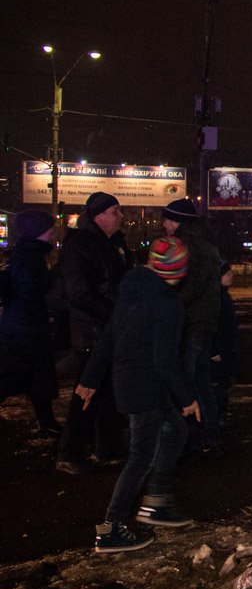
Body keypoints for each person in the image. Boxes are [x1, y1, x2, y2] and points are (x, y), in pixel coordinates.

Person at [79, 236, 199, 553]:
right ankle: (112, 527)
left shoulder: (133, 291)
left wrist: (91, 378)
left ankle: (155, 502)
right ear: (178, 269)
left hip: (130, 380)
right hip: (146, 385)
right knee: (140, 457)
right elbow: (165, 357)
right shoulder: (168, 304)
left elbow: (108, 336)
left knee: (175, 430)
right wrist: (187, 397)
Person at [56, 192, 133, 474]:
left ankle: (108, 447)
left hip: (109, 328)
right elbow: (79, 293)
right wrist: (114, 314)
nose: (120, 216)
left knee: (110, 391)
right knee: (87, 392)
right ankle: (69, 453)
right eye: (115, 211)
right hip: (92, 331)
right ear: (99, 215)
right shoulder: (81, 245)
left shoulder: (113, 243)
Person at [161, 198, 223, 454]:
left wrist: (165, 303)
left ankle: (183, 437)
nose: (163, 225)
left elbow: (187, 287)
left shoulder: (186, 245)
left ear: (175, 220)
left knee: (183, 382)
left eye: (165, 219)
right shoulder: (206, 243)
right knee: (200, 381)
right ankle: (210, 435)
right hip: (204, 321)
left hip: (190, 323)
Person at [0, 210, 62, 437]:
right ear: (38, 232)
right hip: (26, 328)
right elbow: (30, 289)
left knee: (33, 377)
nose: (52, 233)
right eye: (48, 229)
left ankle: (47, 422)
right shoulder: (30, 257)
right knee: (17, 375)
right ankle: (47, 422)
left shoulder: (27, 254)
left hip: (23, 325)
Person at [210, 261, 240, 430]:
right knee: (219, 388)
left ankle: (220, 416)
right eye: (227, 274)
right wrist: (214, 350)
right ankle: (216, 420)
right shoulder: (217, 299)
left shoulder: (223, 296)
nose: (231, 276)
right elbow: (212, 326)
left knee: (224, 385)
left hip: (226, 349)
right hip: (220, 351)